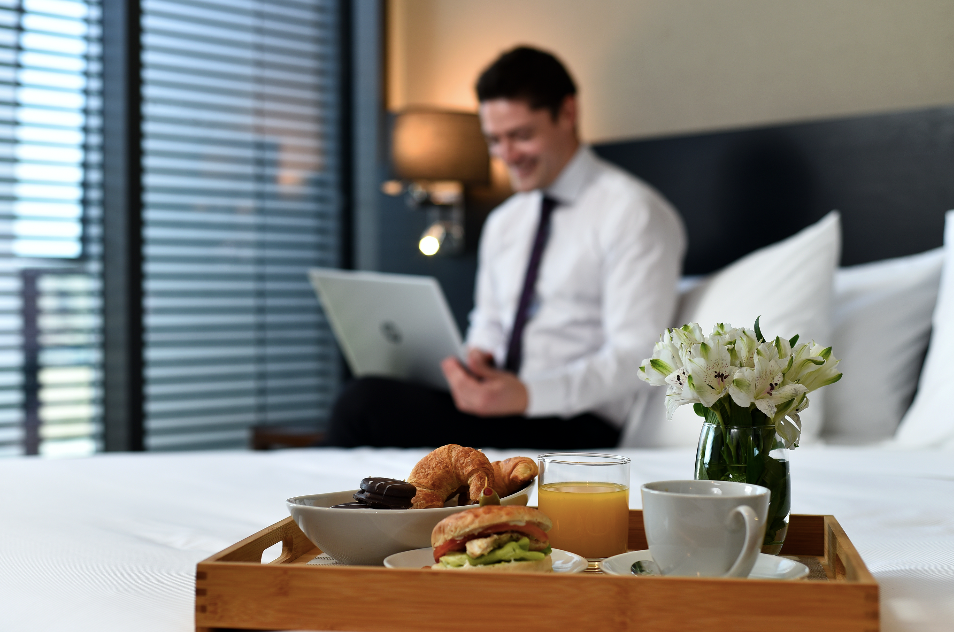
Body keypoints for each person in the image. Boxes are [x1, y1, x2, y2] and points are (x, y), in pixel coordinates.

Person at [324, 46, 685, 449]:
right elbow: (490, 322)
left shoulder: (633, 213)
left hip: (575, 422)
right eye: (494, 140)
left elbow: (639, 356)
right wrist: (478, 356)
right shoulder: (505, 221)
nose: (506, 156)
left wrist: (528, 395)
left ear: (568, 113)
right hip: (502, 410)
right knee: (366, 396)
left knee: (364, 405)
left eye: (521, 136)